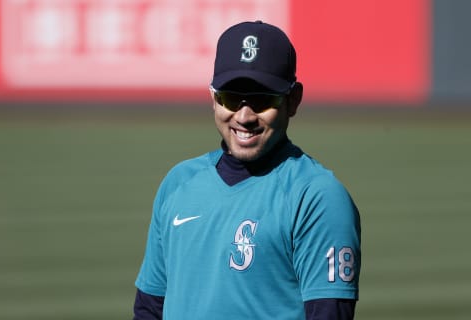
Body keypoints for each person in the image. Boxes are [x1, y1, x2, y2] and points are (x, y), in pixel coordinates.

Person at [133, 21, 361, 320]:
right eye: (231, 97)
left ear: (293, 100)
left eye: (262, 99)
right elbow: (150, 307)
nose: (244, 116)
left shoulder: (317, 196)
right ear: (213, 98)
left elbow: (329, 314)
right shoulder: (179, 181)